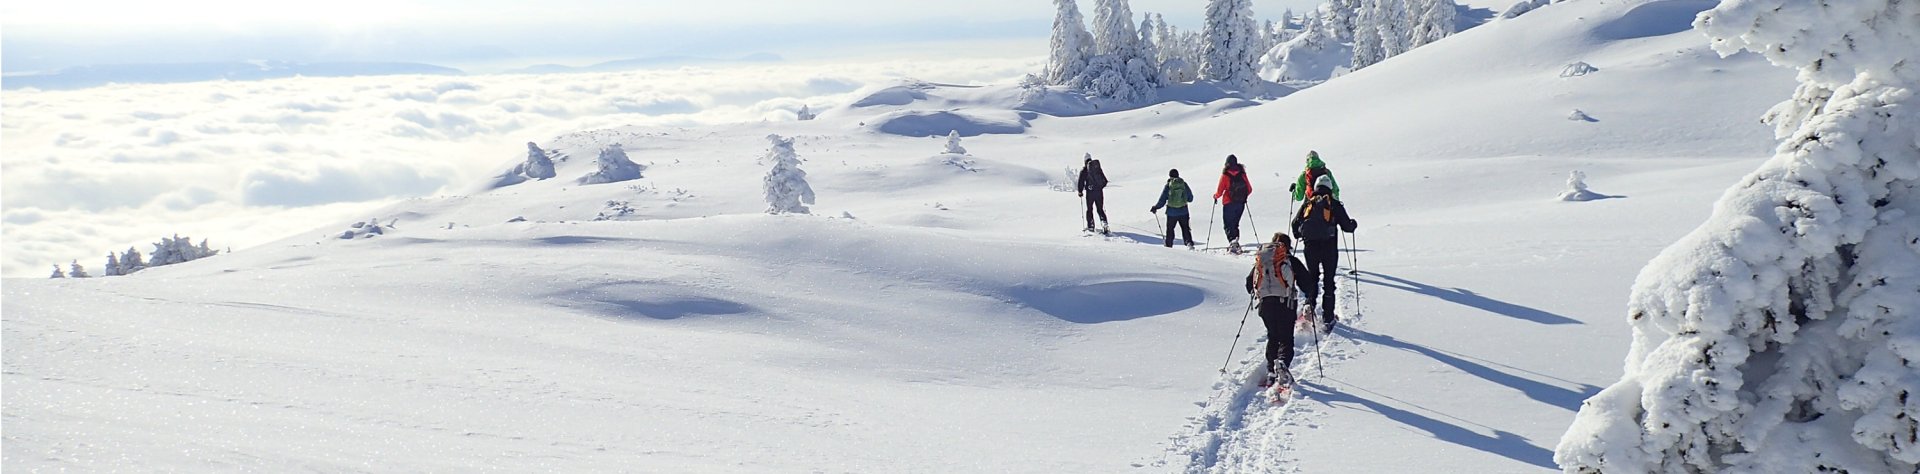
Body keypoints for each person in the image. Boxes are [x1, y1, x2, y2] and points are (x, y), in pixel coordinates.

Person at [1291, 175, 1357, 334]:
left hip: (1310, 248)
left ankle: (1309, 308)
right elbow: (1348, 227)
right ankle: (1327, 317)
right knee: (1328, 282)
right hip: (1329, 248)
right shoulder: (1333, 204)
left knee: (1312, 279)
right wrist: (1353, 224)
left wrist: (1302, 234)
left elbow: (1295, 225)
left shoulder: (1308, 203)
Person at [1245, 232, 1310, 387]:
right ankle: (1282, 363)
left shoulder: (1262, 261)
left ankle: (1270, 371)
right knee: (1286, 337)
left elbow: (1249, 285)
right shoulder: (1290, 261)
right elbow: (1307, 283)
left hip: (1265, 305)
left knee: (1273, 336)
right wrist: (1308, 297)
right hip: (1285, 304)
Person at [1212, 155, 1254, 253]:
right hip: (1240, 203)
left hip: (1229, 203)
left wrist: (1215, 196)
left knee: (1228, 224)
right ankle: (1235, 241)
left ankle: (1233, 242)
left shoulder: (1226, 175)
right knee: (1235, 224)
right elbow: (1249, 189)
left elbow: (1220, 191)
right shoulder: (1242, 173)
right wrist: (1243, 196)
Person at [1149, 169, 1195, 248]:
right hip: (1184, 211)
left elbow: (1162, 199)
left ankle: (1169, 246)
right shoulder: (1183, 184)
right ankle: (1189, 243)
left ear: (1170, 176)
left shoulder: (1168, 185)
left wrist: (1156, 207)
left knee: (1170, 230)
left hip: (1171, 213)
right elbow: (1190, 198)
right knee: (1185, 228)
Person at [1077, 154, 1110, 234]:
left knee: (1089, 209)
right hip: (1099, 192)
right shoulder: (1097, 168)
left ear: (1085, 161)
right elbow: (1103, 179)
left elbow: (1080, 181)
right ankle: (1104, 223)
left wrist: (1080, 191)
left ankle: (1090, 226)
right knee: (1100, 209)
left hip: (1090, 192)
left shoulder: (1084, 170)